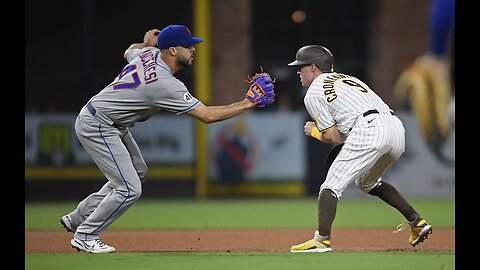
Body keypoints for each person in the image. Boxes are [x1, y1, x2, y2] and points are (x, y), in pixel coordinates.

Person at [59, 24, 275, 253]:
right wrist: (248, 103)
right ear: (172, 50)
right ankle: (86, 234)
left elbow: (128, 51)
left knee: (138, 173)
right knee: (129, 188)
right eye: (188, 46)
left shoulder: (149, 54)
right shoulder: (164, 83)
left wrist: (146, 43)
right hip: (99, 125)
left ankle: (78, 217)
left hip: (108, 122)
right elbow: (207, 115)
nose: (193, 49)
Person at [287, 45, 432, 253]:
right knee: (367, 182)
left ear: (312, 68)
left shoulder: (313, 93)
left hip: (369, 129)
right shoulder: (348, 79)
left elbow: (332, 136)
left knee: (330, 185)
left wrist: (314, 132)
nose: (298, 72)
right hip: (396, 128)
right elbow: (347, 122)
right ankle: (417, 222)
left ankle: (321, 240)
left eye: (300, 67)